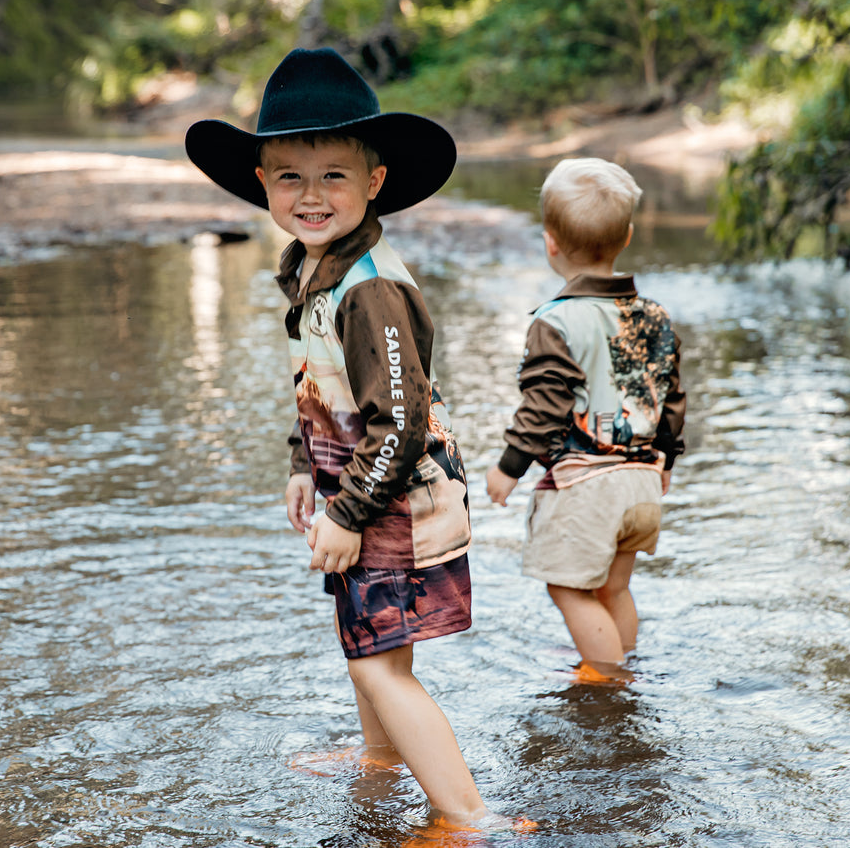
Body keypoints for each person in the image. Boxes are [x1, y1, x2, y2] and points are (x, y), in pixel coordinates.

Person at [185, 47, 495, 827]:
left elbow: (401, 420)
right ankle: (381, 761)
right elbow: (324, 390)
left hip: (395, 500)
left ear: (375, 180)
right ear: (262, 182)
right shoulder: (314, 269)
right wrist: (303, 468)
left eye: (333, 175)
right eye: (291, 175)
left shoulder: (371, 292)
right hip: (360, 493)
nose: (311, 195)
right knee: (365, 643)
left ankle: (469, 818)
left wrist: (347, 511)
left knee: (382, 664)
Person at [485, 157, 687, 682]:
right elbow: (671, 396)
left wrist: (508, 467)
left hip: (589, 486)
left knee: (568, 588)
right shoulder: (656, 317)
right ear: (628, 236)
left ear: (550, 242)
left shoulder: (555, 322)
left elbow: (544, 403)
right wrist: (665, 458)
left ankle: (606, 680)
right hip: (643, 482)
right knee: (613, 588)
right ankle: (620, 670)